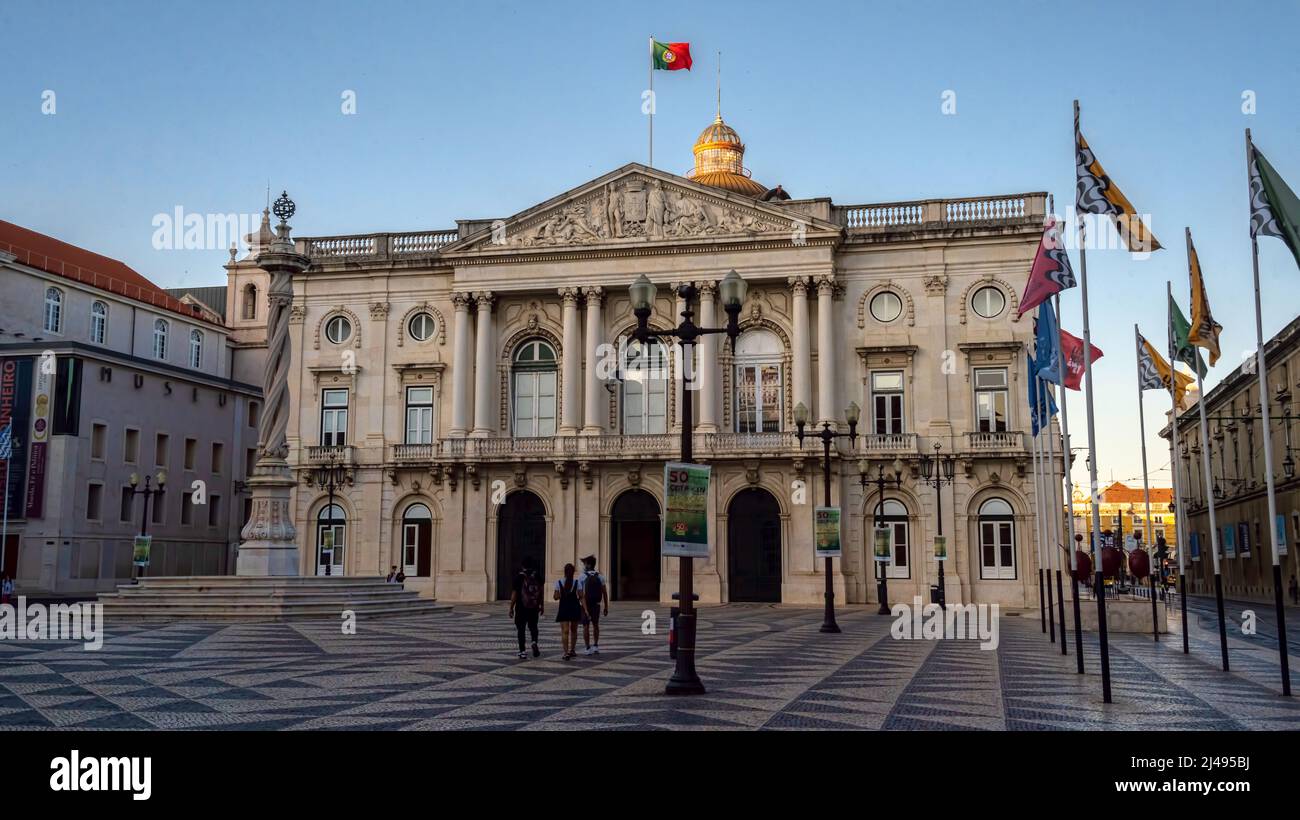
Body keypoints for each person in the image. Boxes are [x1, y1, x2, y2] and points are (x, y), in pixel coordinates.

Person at [509, 556, 543, 659]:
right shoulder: (537, 576)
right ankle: (533, 641)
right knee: (533, 627)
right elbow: (541, 592)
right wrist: (542, 605)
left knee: (521, 629)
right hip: (534, 606)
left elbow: (514, 594)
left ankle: (522, 651)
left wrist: (511, 607)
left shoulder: (518, 577)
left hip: (521, 607)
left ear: (522, 565)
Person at [577, 554, 608, 655]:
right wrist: (606, 607)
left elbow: (580, 594)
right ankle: (595, 646)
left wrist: (584, 609)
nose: (583, 565)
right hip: (596, 604)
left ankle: (587, 647)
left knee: (586, 626)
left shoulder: (581, 577)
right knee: (595, 625)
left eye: (584, 563)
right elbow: (604, 592)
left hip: (585, 605)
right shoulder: (600, 576)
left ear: (588, 565)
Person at [553, 563, 582, 660]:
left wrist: (561, 594)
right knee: (574, 630)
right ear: (573, 572)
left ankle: (566, 652)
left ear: (564, 572)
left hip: (564, 608)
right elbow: (581, 597)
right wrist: (585, 610)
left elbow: (555, 597)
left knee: (565, 631)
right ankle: (572, 650)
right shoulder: (577, 583)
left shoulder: (559, 582)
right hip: (574, 607)